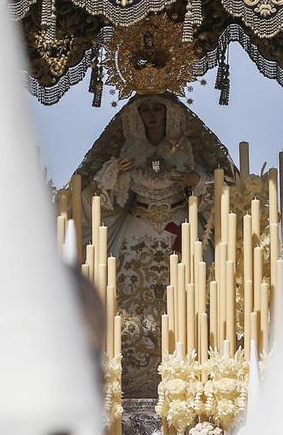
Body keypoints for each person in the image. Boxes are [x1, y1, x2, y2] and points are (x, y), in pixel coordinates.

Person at [86, 94, 209, 398]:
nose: (152, 116)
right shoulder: (130, 151)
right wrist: (114, 175)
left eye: (158, 109)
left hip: (181, 229)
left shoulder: (188, 150)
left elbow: (222, 186)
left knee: (191, 298)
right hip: (136, 229)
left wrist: (198, 180)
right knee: (125, 303)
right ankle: (128, 380)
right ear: (136, 116)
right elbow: (98, 196)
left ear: (171, 115)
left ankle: (188, 374)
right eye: (146, 110)